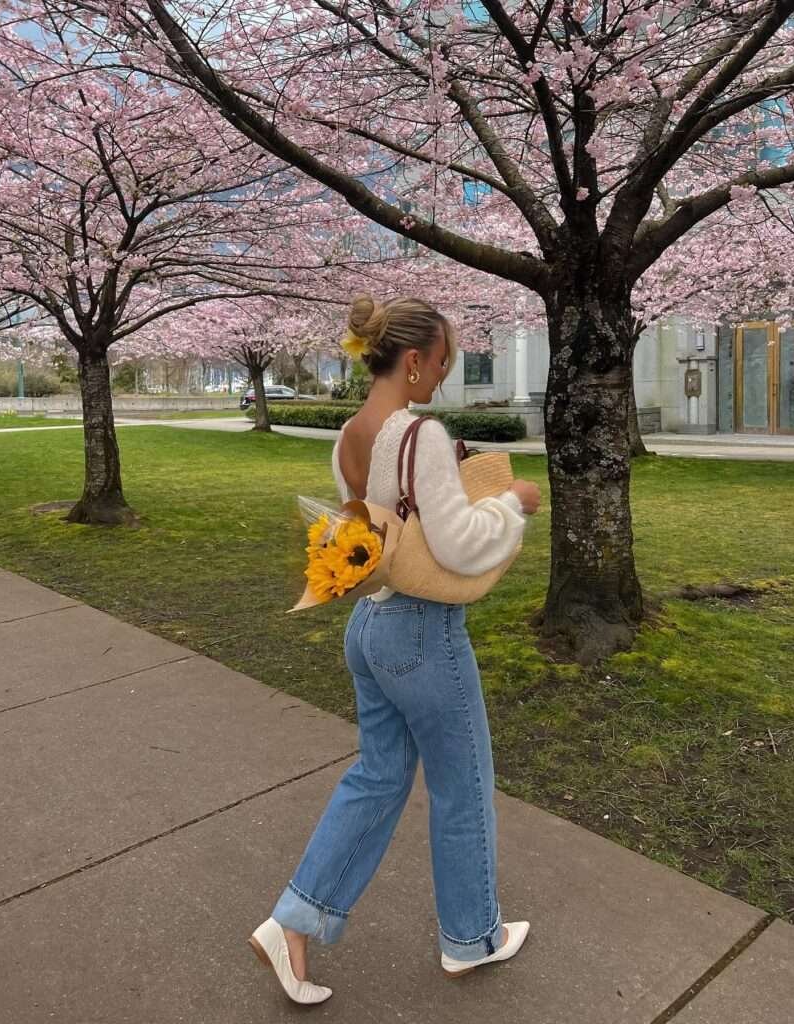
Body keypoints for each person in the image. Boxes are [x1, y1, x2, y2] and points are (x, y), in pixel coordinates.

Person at [248, 295, 542, 1004]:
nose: (443, 374)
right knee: (463, 786)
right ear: (413, 360)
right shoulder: (419, 434)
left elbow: (380, 524)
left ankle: (293, 922)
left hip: (370, 626)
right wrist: (514, 503)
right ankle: (470, 938)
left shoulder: (350, 433)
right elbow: (458, 544)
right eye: (441, 361)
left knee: (379, 777)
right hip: (422, 633)